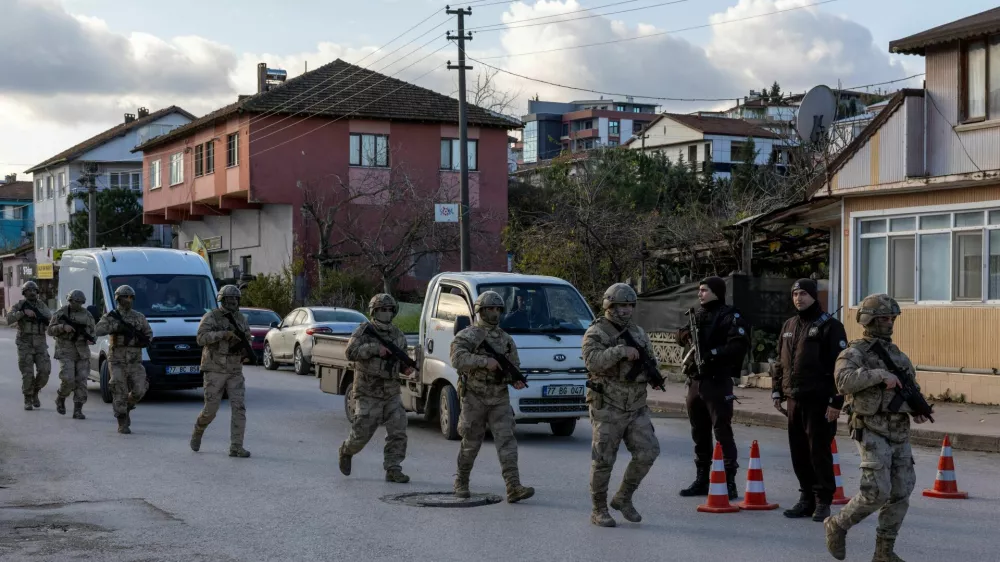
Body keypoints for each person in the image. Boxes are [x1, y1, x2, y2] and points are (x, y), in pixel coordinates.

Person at [824, 294, 928, 562]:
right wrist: (880, 376)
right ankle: (837, 525)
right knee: (876, 491)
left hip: (898, 429)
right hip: (870, 427)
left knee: (902, 490)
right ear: (868, 319)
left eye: (892, 318)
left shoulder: (898, 355)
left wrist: (916, 409)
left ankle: (884, 552)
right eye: (884, 318)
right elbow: (843, 382)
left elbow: (909, 388)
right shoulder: (853, 352)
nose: (889, 323)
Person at [582, 283, 661, 528]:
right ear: (609, 305)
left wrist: (653, 375)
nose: (626, 310)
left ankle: (623, 497)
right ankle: (599, 509)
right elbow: (592, 362)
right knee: (604, 459)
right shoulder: (596, 332)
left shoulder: (638, 332)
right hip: (608, 403)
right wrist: (620, 351)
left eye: (629, 305)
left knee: (649, 451)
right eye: (620, 306)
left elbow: (650, 358)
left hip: (636, 404)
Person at [771, 279, 848, 522]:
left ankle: (823, 501)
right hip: (795, 399)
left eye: (803, 293)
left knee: (818, 451)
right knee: (799, 452)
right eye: (795, 294)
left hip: (820, 400)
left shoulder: (831, 326)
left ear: (814, 296)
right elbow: (780, 362)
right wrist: (777, 391)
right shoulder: (789, 325)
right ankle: (805, 499)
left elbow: (840, 367)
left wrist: (836, 402)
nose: (798, 298)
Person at [450, 291, 534, 504]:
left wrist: (513, 379)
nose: (494, 313)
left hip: (499, 397)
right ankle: (461, 482)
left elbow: (514, 365)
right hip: (474, 397)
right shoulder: (468, 335)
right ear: (480, 311)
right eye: (489, 309)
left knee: (507, 441)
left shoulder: (506, 339)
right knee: (471, 441)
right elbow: (457, 359)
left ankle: (513, 486)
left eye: (498, 309)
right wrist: (483, 362)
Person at [676, 276, 749, 500]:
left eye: (704, 290)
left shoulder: (730, 316)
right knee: (699, 433)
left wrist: (712, 354)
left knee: (722, 432)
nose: (700, 294)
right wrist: (684, 335)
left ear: (716, 292)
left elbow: (738, 345)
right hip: (696, 382)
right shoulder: (697, 315)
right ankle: (702, 479)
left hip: (718, 381)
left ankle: (729, 481)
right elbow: (679, 335)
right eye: (699, 290)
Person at [338, 294, 414, 483]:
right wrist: (373, 349)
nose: (386, 314)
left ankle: (393, 468)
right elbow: (350, 353)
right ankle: (347, 450)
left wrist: (407, 368)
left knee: (398, 430)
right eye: (382, 310)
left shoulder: (397, 335)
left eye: (389, 310)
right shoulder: (364, 331)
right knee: (362, 432)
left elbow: (402, 360)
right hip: (368, 391)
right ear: (374, 311)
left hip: (391, 392)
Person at [191, 285, 253, 458]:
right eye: (229, 299)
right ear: (222, 300)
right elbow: (200, 338)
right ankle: (198, 430)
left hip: (234, 369)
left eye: (235, 299)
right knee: (211, 409)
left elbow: (247, 337)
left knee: (239, 408)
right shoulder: (211, 317)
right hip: (214, 368)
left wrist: (245, 351)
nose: (233, 302)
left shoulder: (241, 318)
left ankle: (236, 446)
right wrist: (222, 334)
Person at [95, 285, 153, 434]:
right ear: (118, 298)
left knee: (140, 389)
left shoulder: (139, 317)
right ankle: (122, 420)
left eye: (130, 297)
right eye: (125, 297)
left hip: (134, 361)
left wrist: (143, 341)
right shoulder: (111, 316)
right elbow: (98, 330)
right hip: (117, 361)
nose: (128, 300)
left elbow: (149, 333)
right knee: (118, 389)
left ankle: (126, 406)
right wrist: (114, 327)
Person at [48, 290, 96, 419]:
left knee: (81, 381)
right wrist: (62, 327)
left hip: (82, 352)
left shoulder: (87, 315)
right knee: (68, 379)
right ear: (69, 301)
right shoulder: (61, 313)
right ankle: (61, 398)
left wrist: (90, 338)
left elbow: (93, 331)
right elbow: (50, 331)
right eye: (75, 301)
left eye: (80, 302)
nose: (77, 304)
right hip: (65, 350)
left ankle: (78, 410)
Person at [6, 281, 52, 411]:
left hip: (40, 343)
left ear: (37, 292)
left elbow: (49, 318)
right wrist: (23, 313)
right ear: (24, 293)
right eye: (28, 290)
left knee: (45, 371)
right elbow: (9, 319)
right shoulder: (19, 305)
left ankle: (35, 392)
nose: (31, 292)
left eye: (34, 290)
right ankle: (28, 398)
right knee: (27, 373)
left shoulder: (41, 305)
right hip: (24, 343)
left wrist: (36, 314)